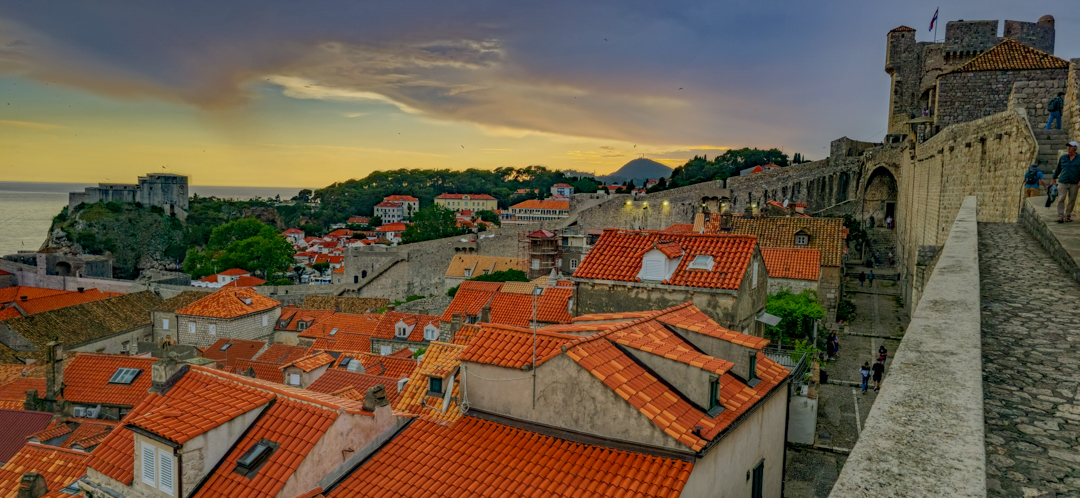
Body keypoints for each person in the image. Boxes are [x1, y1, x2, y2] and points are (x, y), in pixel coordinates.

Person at [1052, 141, 1080, 223]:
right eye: (1068, 146)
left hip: (1074, 182)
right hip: (1063, 181)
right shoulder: (1063, 158)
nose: (1068, 148)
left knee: (1072, 200)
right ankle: (1060, 216)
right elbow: (1058, 169)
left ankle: (1068, 216)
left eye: (1070, 146)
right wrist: (1053, 178)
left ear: (1075, 148)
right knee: (1061, 198)